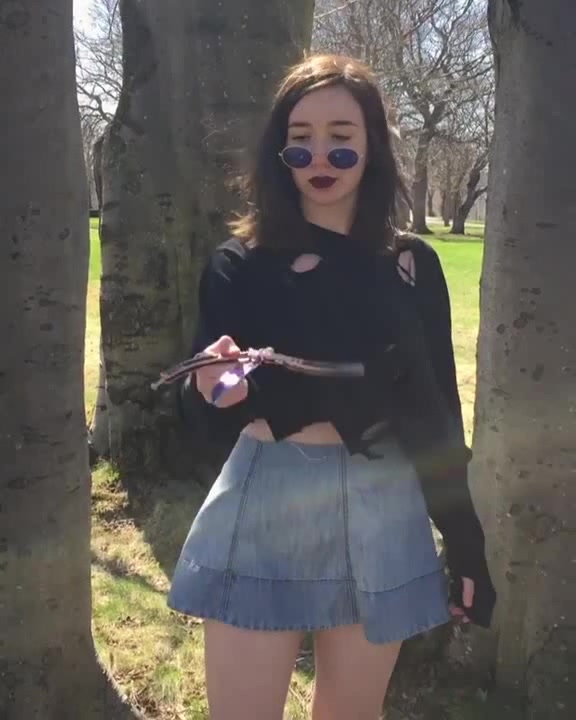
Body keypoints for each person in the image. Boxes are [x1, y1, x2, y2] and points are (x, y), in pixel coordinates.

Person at [168, 54, 496, 720]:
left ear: (372, 147)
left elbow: (436, 414)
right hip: (268, 500)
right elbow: (203, 414)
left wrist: (465, 542)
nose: (320, 157)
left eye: (341, 140)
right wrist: (216, 390)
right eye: (301, 140)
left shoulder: (410, 265)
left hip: (385, 505)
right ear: (279, 151)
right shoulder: (241, 263)